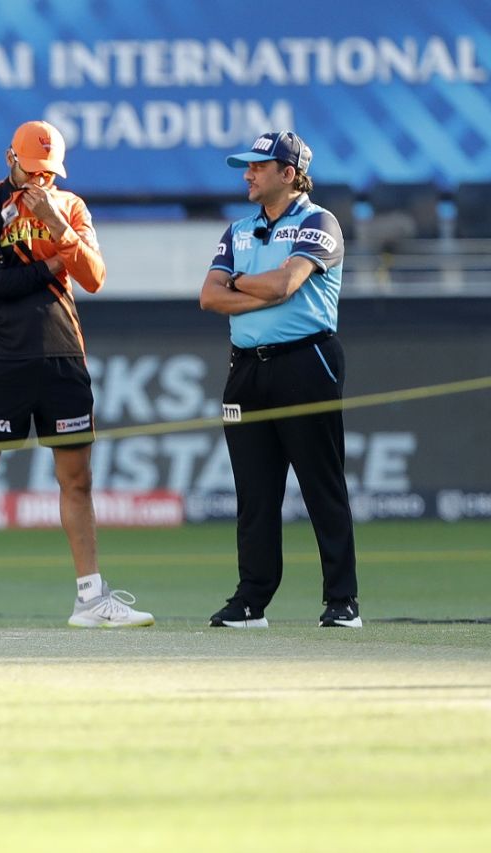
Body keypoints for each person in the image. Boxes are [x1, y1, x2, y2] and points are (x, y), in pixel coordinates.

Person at [0, 119, 155, 630]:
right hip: (5, 357)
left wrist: (57, 228)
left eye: (49, 173)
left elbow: (95, 278)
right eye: (33, 171)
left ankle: (91, 599)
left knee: (77, 480)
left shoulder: (71, 206)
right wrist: (56, 265)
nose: (41, 182)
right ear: (10, 159)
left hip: (63, 356)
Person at [199, 130, 360, 628]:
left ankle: (342, 601)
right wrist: (261, 292)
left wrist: (241, 283)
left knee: (320, 482)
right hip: (245, 367)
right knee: (254, 490)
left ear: (287, 174)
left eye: (257, 167)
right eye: (247, 167)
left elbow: (287, 284)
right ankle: (252, 601)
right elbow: (208, 296)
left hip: (305, 363)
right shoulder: (240, 228)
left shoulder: (319, 221)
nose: (247, 174)